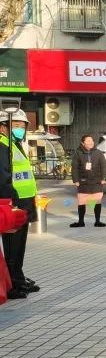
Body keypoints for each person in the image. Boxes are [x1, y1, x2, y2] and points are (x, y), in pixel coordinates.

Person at [0, 110, 38, 298]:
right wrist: (11, 202)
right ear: (3, 125)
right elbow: (3, 177)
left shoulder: (13, 144)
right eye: (15, 125)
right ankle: (13, 284)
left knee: (19, 245)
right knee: (12, 246)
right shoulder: (2, 145)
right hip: (13, 202)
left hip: (24, 201)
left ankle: (19, 278)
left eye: (23, 126)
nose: (20, 129)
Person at [71, 135, 106, 228]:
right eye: (88, 141)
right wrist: (75, 180)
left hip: (96, 181)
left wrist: (104, 178)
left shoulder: (98, 153)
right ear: (82, 143)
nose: (90, 142)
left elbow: (104, 166)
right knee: (82, 202)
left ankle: (98, 221)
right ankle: (81, 221)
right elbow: (74, 168)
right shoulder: (78, 153)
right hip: (83, 182)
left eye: (91, 140)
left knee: (97, 201)